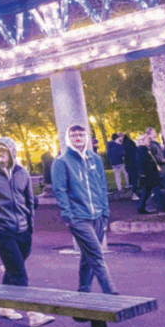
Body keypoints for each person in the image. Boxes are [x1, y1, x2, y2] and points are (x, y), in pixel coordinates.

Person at [0, 136, 55, 327]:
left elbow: (30, 199)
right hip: (2, 230)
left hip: (23, 229)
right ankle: (34, 313)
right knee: (19, 272)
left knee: (15, 265)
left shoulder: (22, 173)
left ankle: (3, 306)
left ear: (12, 152)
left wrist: (30, 222)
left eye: (4, 151)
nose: (0, 154)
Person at [51, 124, 118, 295]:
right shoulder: (61, 162)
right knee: (96, 255)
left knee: (87, 257)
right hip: (78, 218)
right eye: (74, 136)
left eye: (81, 134)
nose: (78, 138)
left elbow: (102, 186)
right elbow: (60, 190)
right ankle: (112, 294)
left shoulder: (95, 159)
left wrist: (105, 211)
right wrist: (68, 215)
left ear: (86, 137)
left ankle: (83, 293)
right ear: (68, 139)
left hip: (98, 215)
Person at [135, 134, 164, 214]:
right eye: (147, 139)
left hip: (149, 174)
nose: (149, 141)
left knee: (146, 192)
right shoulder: (142, 150)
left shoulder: (145, 149)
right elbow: (141, 162)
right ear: (143, 141)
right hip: (149, 175)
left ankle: (141, 207)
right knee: (155, 191)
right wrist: (143, 174)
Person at [122, 132, 140, 200]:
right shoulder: (131, 144)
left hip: (130, 164)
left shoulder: (125, 146)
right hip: (134, 163)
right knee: (136, 178)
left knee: (133, 179)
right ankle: (135, 192)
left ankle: (134, 192)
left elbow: (126, 156)